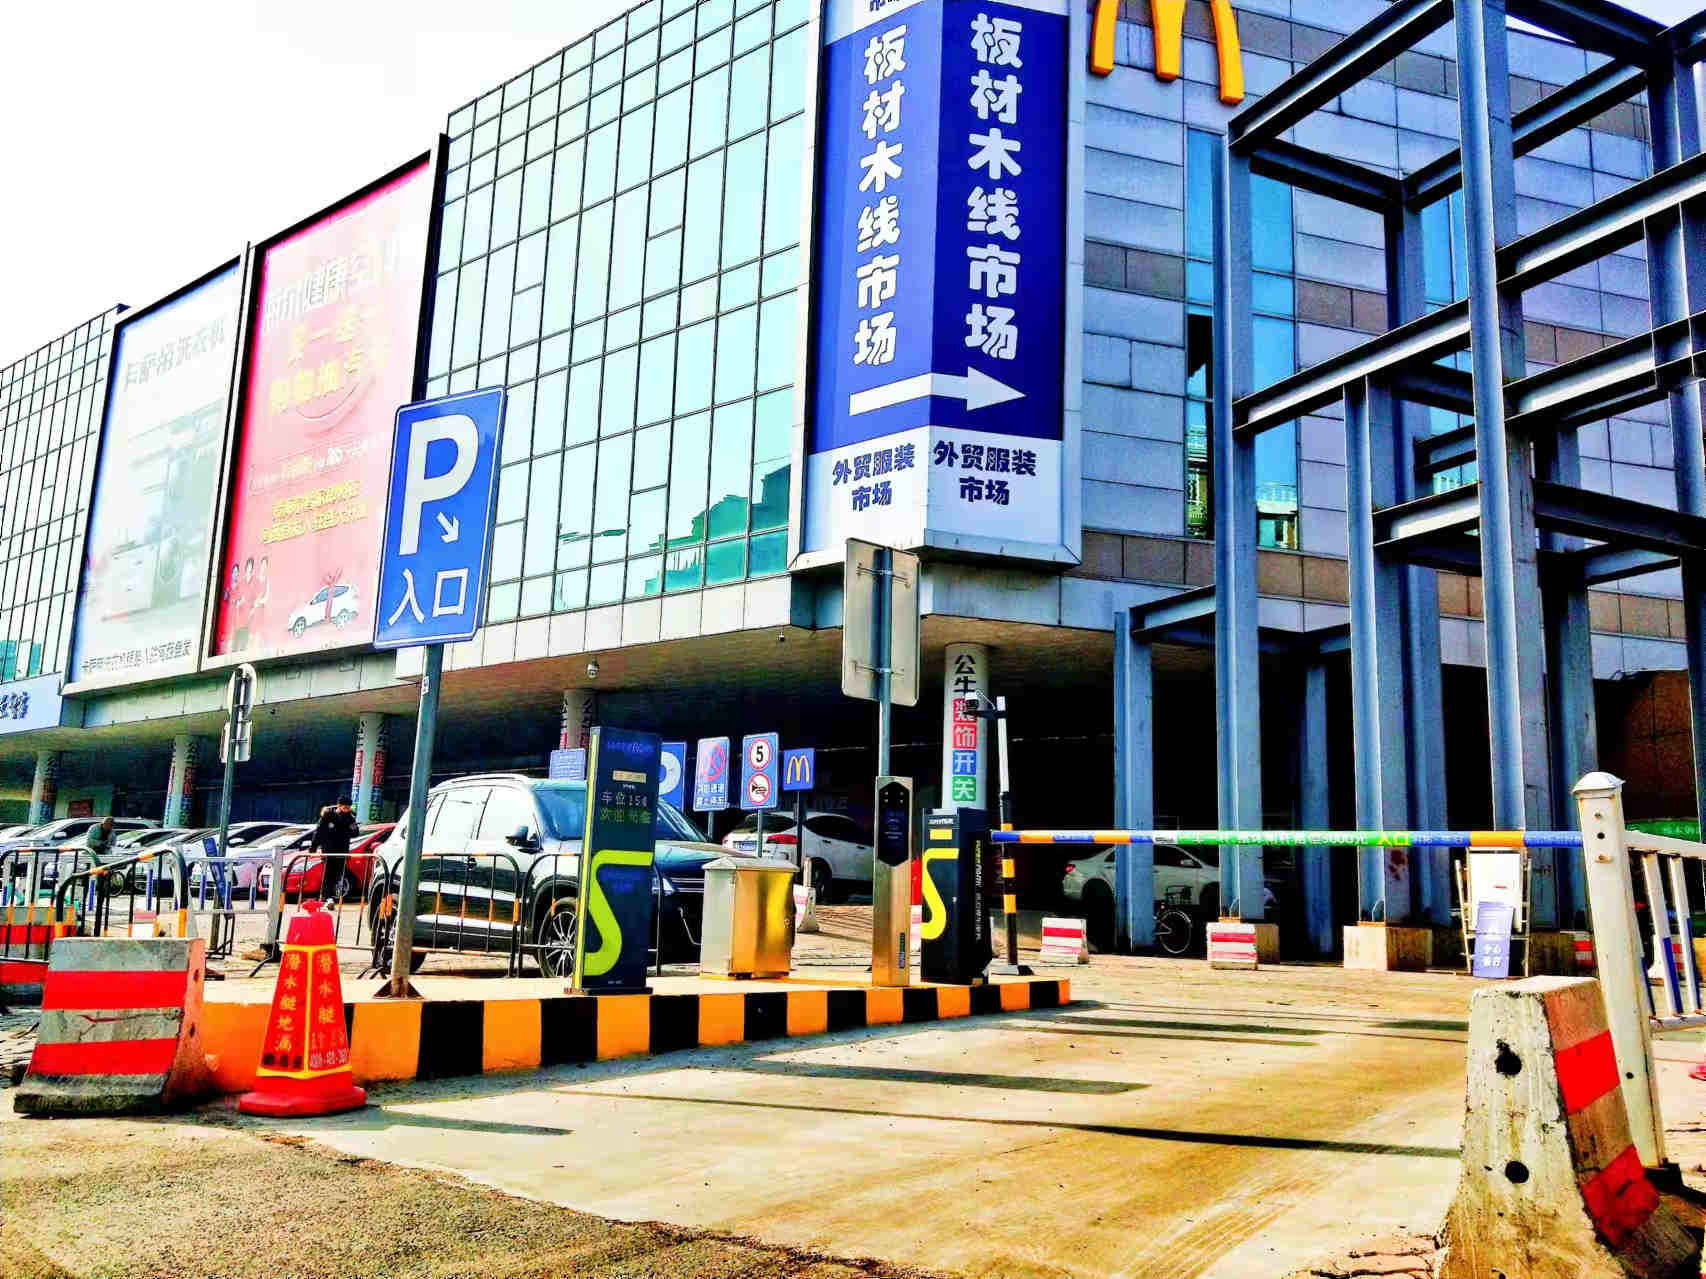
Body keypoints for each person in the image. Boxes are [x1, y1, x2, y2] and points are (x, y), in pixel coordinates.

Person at [312, 795, 361, 905]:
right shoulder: (328, 816)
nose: (346, 810)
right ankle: (326, 897)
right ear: (339, 806)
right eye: (345, 807)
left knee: (338, 875)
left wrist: (351, 826)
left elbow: (355, 833)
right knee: (328, 874)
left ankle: (329, 897)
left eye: (348, 808)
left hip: (342, 851)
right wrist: (313, 847)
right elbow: (319, 832)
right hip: (329, 850)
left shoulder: (350, 818)